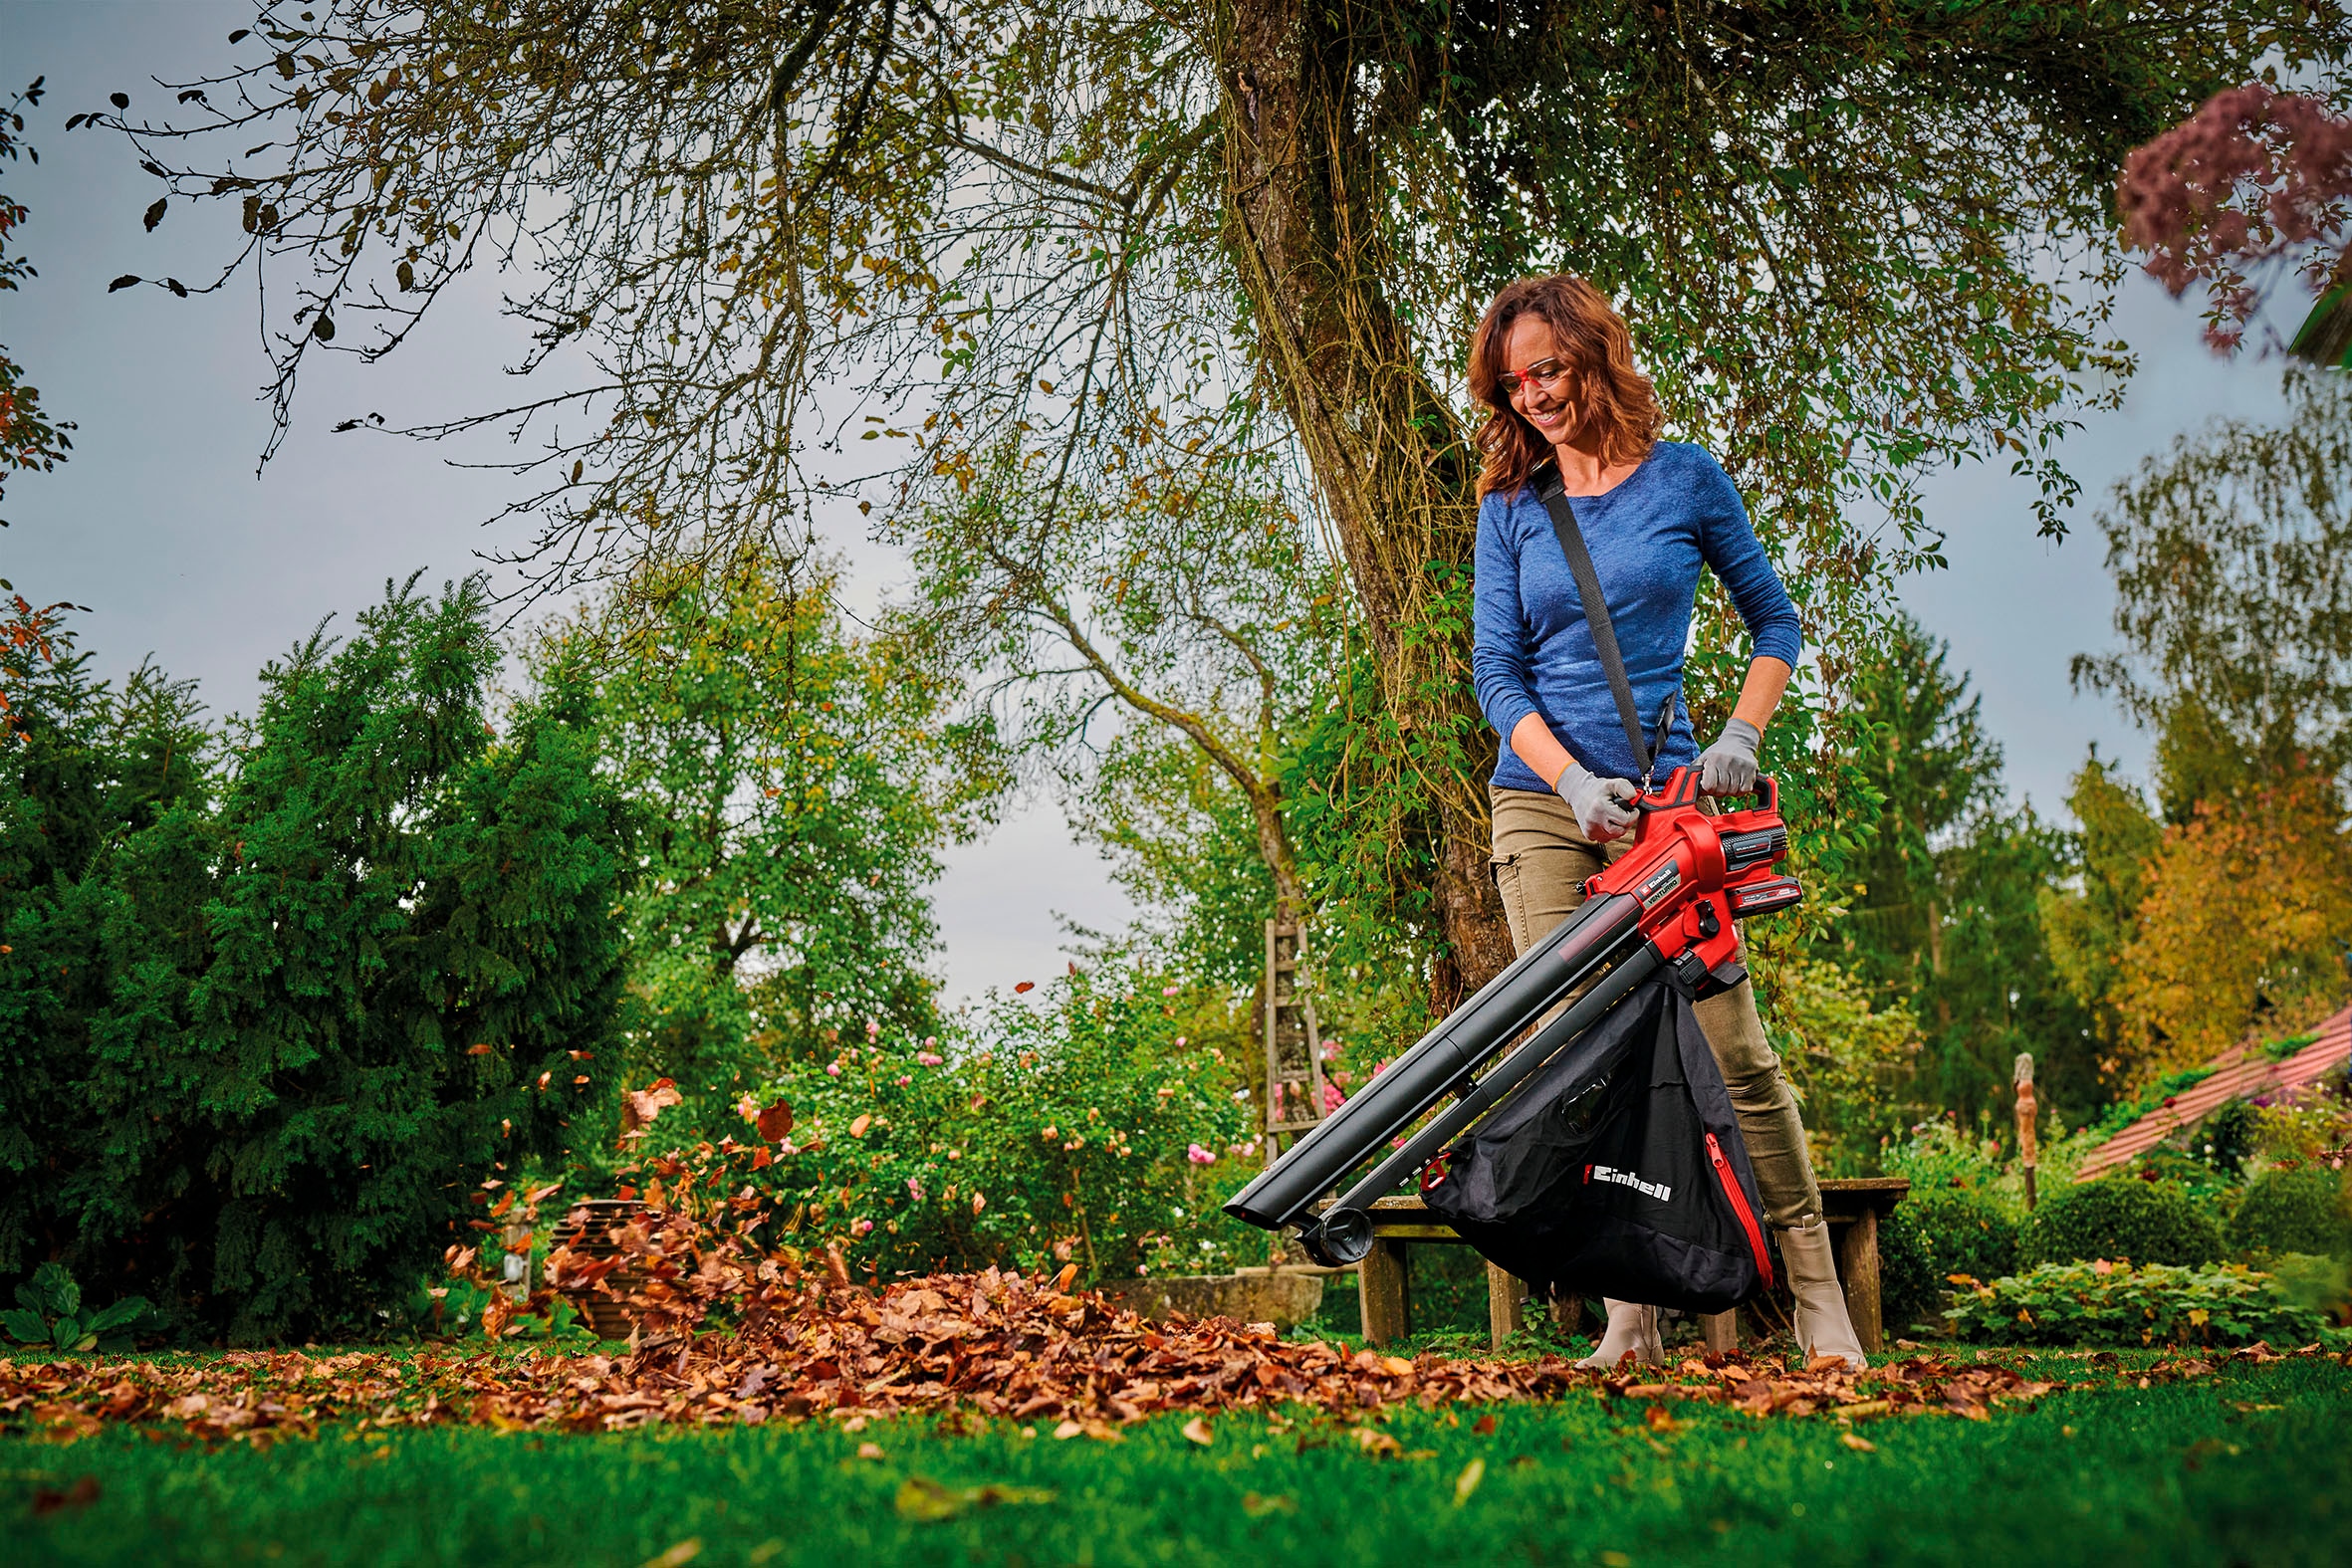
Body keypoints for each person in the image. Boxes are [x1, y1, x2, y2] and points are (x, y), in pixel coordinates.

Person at [1467, 273, 1867, 1371]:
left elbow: (1774, 619)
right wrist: (1569, 788)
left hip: (1668, 808)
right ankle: (1630, 1316)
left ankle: (1818, 1301)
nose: (1534, 396)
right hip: (1547, 808)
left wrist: (1740, 734)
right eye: (1514, 382)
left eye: (1548, 368)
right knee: (1581, 1055)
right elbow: (1498, 678)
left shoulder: (1685, 479)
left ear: (1594, 355)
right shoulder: (1509, 509)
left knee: (1734, 1049)